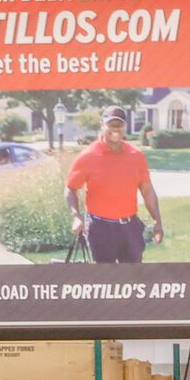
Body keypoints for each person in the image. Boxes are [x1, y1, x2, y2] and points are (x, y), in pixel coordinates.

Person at [66, 108, 164, 265]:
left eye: (119, 124)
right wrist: (76, 216)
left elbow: (147, 190)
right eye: (111, 124)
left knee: (132, 280)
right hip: (100, 229)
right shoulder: (87, 156)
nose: (116, 129)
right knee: (107, 281)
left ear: (124, 127)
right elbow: (70, 188)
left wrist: (157, 221)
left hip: (130, 228)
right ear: (102, 125)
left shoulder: (136, 156)